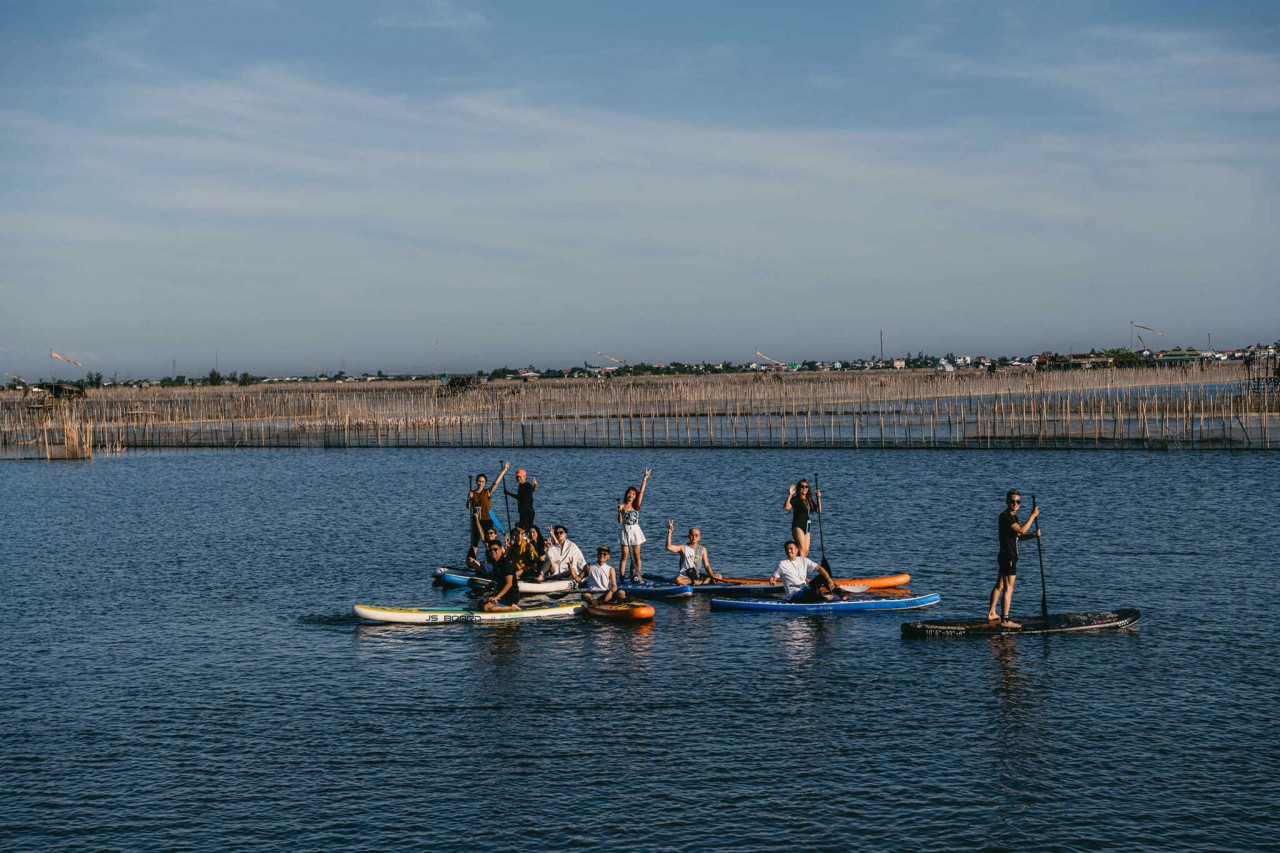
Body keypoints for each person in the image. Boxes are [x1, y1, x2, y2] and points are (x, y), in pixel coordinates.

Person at [987, 489, 1040, 628]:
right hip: (1008, 556)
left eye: (1018, 501)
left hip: (1005, 555)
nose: (1015, 504)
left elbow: (1019, 536)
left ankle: (992, 613)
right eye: (1012, 501)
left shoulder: (1013, 518)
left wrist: (1033, 536)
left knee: (1000, 585)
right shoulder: (1005, 516)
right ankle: (1005, 620)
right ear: (1007, 501)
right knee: (1009, 589)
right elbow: (1021, 530)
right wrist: (1033, 516)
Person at [769, 540, 848, 602]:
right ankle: (823, 597)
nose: (789, 551)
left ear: (797, 550)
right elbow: (773, 578)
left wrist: (829, 580)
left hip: (805, 588)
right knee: (814, 592)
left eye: (791, 549)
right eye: (787, 549)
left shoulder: (804, 560)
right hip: (794, 594)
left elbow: (820, 568)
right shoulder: (782, 564)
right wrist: (772, 581)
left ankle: (840, 594)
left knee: (823, 576)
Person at [664, 519, 725, 585]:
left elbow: (707, 566)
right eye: (692, 535)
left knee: (719, 576)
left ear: (699, 537)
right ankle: (700, 582)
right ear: (689, 537)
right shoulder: (682, 548)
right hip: (686, 577)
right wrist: (670, 532)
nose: (694, 537)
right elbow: (668, 547)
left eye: (696, 535)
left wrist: (712, 576)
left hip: (697, 576)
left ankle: (700, 582)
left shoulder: (703, 549)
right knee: (678, 580)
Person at [467, 462, 511, 553]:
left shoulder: (487, 492)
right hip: (476, 520)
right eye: (479, 481)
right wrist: (469, 499)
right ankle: (472, 558)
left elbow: (496, 483)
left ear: (485, 483)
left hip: (487, 519)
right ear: (476, 481)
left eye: (482, 482)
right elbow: (468, 506)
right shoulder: (472, 492)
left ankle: (493, 556)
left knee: (489, 541)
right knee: (474, 542)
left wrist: (504, 470)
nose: (480, 483)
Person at [617, 468, 652, 582]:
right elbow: (620, 521)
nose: (631, 495)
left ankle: (638, 574)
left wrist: (644, 479)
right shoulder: (622, 506)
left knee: (637, 555)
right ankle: (622, 576)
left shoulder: (637, 505)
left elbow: (641, 492)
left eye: (633, 494)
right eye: (629, 493)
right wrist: (619, 512)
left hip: (635, 530)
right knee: (625, 555)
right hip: (625, 530)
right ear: (626, 494)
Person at [479, 540, 521, 612]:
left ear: (501, 550)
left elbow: (509, 583)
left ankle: (512, 608)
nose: (492, 551)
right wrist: (480, 592)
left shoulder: (506, 564)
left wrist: (496, 597)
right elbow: (493, 582)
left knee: (486, 607)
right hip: (502, 596)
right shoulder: (496, 563)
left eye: (495, 549)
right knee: (479, 603)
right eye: (490, 550)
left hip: (511, 597)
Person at [783, 479, 821, 557]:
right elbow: (786, 507)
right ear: (798, 488)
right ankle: (800, 568)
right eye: (802, 486)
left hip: (806, 527)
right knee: (802, 550)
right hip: (797, 526)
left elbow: (818, 510)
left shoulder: (808, 500)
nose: (804, 488)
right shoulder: (796, 499)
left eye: (806, 486)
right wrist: (790, 495)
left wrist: (818, 498)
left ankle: (801, 567)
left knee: (806, 552)